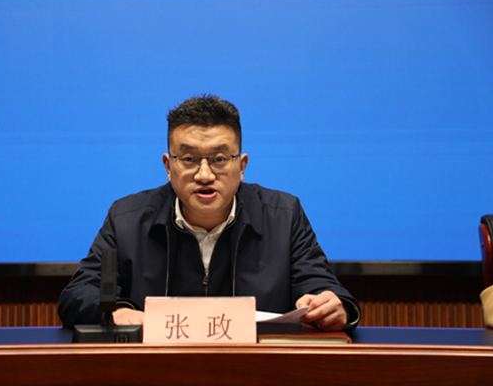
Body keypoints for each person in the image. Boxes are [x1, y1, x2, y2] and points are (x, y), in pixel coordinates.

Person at [58, 94, 361, 332]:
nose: (204, 175)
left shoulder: (283, 215)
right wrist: (116, 311)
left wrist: (336, 307)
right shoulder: (127, 219)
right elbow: (78, 295)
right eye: (189, 159)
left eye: (219, 159)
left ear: (241, 166)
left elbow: (322, 288)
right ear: (168, 166)